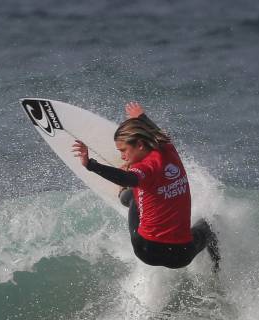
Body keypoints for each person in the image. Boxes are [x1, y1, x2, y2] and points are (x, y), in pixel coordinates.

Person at [70, 101, 220, 272]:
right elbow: (160, 134)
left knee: (134, 195)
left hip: (147, 250)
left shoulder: (145, 169)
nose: (123, 156)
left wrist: (91, 164)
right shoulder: (168, 148)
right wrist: (141, 117)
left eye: (123, 150)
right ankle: (217, 270)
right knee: (209, 226)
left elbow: (127, 179)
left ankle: (124, 196)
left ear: (140, 145)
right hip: (181, 255)